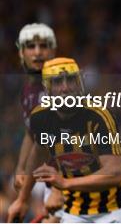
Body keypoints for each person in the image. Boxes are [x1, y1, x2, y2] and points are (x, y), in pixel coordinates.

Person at [7, 57, 121, 223]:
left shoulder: (99, 116)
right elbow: (39, 153)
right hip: (76, 207)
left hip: (115, 207)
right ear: (47, 88)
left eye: (70, 79)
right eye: (57, 82)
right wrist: (22, 199)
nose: (65, 87)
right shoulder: (40, 117)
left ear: (79, 82)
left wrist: (64, 183)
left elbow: (115, 173)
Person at [14, 23, 64, 222]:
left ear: (52, 50)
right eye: (31, 46)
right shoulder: (27, 90)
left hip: (74, 180)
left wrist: (60, 189)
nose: (37, 52)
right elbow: (30, 133)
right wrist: (20, 168)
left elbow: (70, 139)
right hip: (52, 181)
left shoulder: (62, 86)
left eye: (43, 46)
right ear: (21, 52)